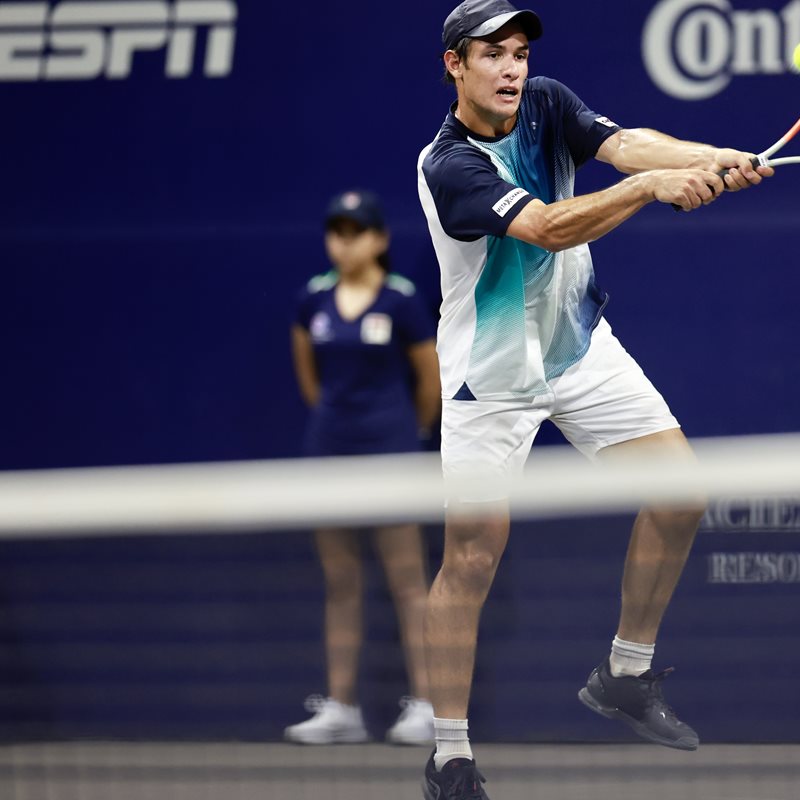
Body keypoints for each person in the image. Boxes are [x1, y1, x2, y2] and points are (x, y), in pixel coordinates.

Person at [416, 1, 773, 795]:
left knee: (679, 494)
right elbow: (548, 227)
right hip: (491, 375)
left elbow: (624, 143)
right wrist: (649, 188)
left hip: (576, 347)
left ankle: (625, 675)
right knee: (470, 558)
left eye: (518, 53)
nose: (511, 68)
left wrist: (711, 156)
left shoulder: (545, 102)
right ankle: (450, 756)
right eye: (491, 55)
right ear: (455, 65)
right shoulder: (449, 166)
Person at [285, 190, 442, 745]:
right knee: (341, 582)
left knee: (408, 582)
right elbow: (309, 375)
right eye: (337, 232)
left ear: (379, 240)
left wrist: (404, 434)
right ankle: (342, 709)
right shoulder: (312, 299)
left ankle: (426, 705)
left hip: (391, 452)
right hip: (329, 452)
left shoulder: (401, 300)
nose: (344, 243)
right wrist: (337, 423)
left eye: (357, 233)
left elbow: (430, 380)